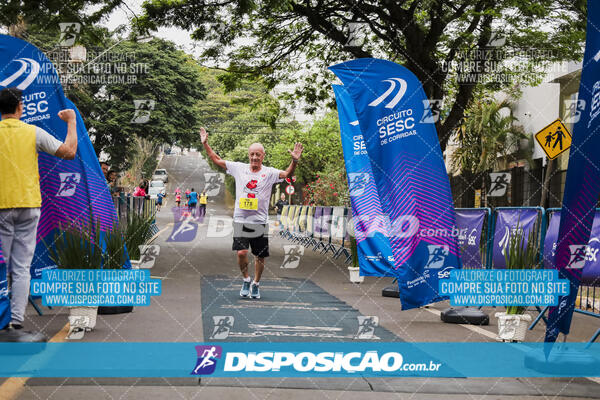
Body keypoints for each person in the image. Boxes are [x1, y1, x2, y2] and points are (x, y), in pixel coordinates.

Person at [0, 87, 78, 341]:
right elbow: (69, 152)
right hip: (28, 205)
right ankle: (16, 324)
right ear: (20, 108)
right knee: (21, 267)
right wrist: (72, 121)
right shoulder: (32, 132)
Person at [200, 126, 303, 299]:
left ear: (263, 156)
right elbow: (217, 160)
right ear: (249, 155)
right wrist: (205, 144)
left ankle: (256, 283)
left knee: (260, 256)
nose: (254, 157)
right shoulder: (239, 168)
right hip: (241, 219)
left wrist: (294, 161)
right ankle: (246, 279)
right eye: (252, 154)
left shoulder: (269, 172)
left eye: (258, 154)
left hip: (260, 221)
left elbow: (286, 174)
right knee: (241, 253)